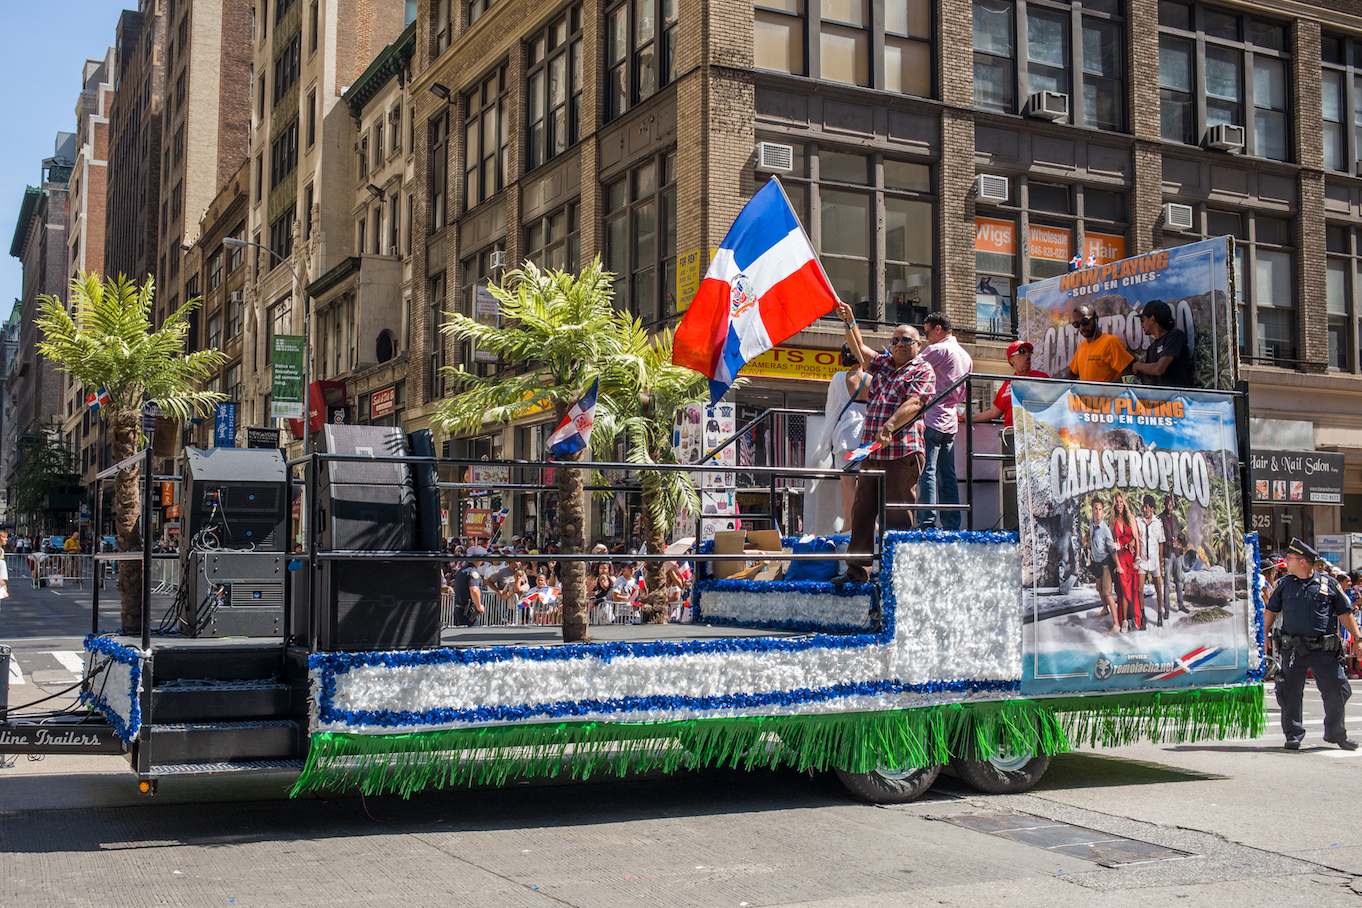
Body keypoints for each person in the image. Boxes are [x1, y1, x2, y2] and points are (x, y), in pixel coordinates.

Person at [831, 301, 936, 584]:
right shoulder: (885, 363)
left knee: (899, 512)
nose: (899, 344)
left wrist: (890, 426)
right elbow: (860, 350)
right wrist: (849, 321)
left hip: (903, 451)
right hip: (874, 450)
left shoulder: (923, 370)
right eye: (894, 340)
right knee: (863, 509)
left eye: (906, 340)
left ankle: (898, 573)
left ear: (919, 345)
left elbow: (915, 403)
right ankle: (856, 571)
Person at [1265, 538, 1362, 750]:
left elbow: (1346, 613)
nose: (1286, 563)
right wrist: (1263, 634)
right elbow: (1271, 610)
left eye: (1289, 559)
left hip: (1323, 649)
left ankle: (1336, 733)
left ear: (1303, 562)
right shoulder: (1284, 585)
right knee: (1289, 691)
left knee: (1338, 690)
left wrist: (1358, 638)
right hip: (1293, 649)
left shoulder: (1329, 584)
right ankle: (1293, 734)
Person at [917, 312, 972, 530]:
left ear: (938, 329)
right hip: (951, 419)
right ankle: (952, 523)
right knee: (947, 474)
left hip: (931, 415)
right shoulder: (965, 355)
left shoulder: (938, 349)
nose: (926, 337)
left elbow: (911, 367)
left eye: (928, 332)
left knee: (927, 471)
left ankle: (926, 522)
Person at [809, 345, 870, 532]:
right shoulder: (873, 380)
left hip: (846, 436)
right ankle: (867, 526)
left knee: (848, 483)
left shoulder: (838, 378)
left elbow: (832, 409)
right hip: (866, 435)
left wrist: (826, 441)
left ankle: (850, 525)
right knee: (867, 482)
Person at [971, 340, 1049, 430]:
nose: (1027, 354)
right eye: (1022, 352)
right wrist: (971, 417)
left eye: (1029, 351)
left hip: (1035, 433)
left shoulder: (1041, 377)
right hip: (1011, 433)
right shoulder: (1007, 383)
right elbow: (995, 413)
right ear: (1011, 359)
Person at [1056, 304, 1134, 383]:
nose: (1082, 328)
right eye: (1077, 324)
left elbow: (1128, 372)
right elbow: (1072, 374)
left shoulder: (1111, 342)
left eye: (1085, 321)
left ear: (1096, 318)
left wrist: (1106, 389)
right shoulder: (1081, 346)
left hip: (1108, 395)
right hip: (1085, 395)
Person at [1131, 299, 1194, 387]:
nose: (1141, 324)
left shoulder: (1175, 336)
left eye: (1142, 319)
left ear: (1152, 319)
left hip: (1177, 398)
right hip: (1158, 399)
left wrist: (1137, 366)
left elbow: (1159, 369)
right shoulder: (1151, 348)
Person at [1086, 499, 1120, 634]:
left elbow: (1112, 550)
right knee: (1099, 589)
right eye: (1095, 509)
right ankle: (1105, 609)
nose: (1098, 512)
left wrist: (1118, 565)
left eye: (1100, 509)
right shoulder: (1091, 522)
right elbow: (1089, 533)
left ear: (1103, 512)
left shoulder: (1105, 530)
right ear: (1092, 510)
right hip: (1097, 563)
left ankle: (1116, 624)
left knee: (1107, 593)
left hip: (1106, 564)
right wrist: (1085, 538)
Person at [1110, 492, 1141, 631]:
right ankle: (1124, 621)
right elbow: (1112, 545)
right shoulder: (1113, 521)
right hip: (1121, 560)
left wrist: (1137, 560)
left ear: (1124, 503)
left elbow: (1137, 540)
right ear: (1114, 504)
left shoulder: (1131, 518)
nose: (1119, 504)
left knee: (1133, 590)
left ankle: (1133, 618)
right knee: (1123, 590)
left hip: (1131, 559)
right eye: (1116, 502)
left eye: (1121, 501)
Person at [1136, 495, 1165, 626]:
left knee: (1158, 588)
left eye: (1147, 507)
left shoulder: (1158, 523)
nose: (1145, 509)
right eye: (1144, 506)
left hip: (1154, 561)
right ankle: (1143, 616)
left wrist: (1160, 561)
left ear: (1152, 509)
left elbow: (1161, 543)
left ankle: (1160, 614)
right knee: (1139, 589)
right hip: (1142, 560)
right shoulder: (1138, 521)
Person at [1159, 495, 1188, 617]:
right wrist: (1168, 542)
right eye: (1168, 504)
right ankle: (1166, 609)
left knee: (1178, 581)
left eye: (1171, 504)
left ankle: (1181, 605)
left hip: (1176, 554)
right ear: (1164, 505)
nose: (1170, 506)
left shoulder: (1175, 518)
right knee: (1166, 583)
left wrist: (1179, 542)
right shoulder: (1160, 518)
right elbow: (1158, 537)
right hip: (1166, 554)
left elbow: (1180, 533)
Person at [450, 545, 487, 627]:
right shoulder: (473, 572)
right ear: (481, 560)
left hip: (459, 609)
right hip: (468, 612)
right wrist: (479, 606)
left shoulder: (461, 570)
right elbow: (474, 589)